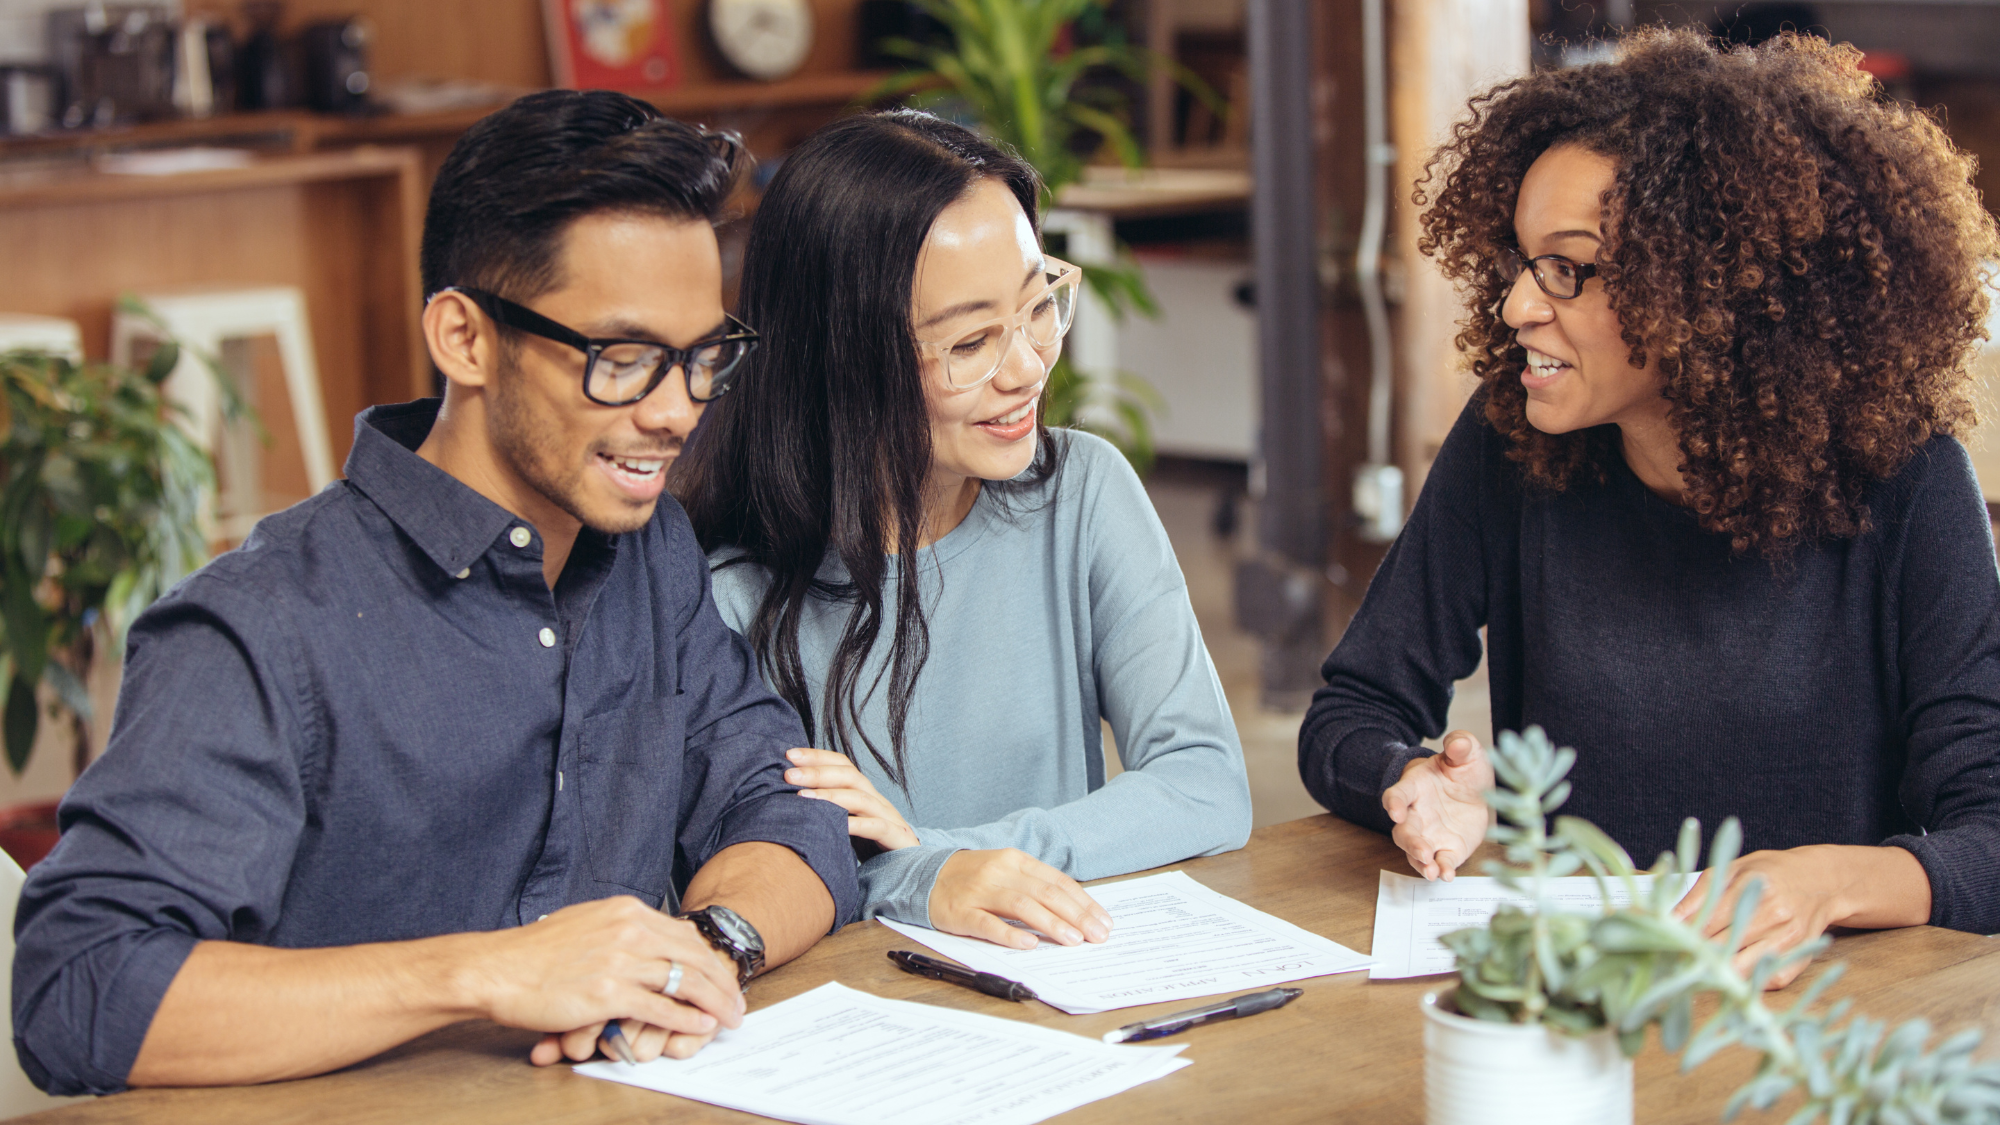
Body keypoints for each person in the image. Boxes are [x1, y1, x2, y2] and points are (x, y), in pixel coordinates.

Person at [12, 90, 859, 1096]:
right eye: (623, 360)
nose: (676, 413)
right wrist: (485, 973)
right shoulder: (260, 625)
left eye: (701, 359)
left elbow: (789, 811)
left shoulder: (646, 552)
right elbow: (80, 989)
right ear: (463, 338)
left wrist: (706, 947)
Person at [1300, 28, 2000, 986]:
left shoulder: (1906, 478)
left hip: (1818, 1023)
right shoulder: (1513, 440)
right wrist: (1412, 781)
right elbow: (1353, 710)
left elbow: (1993, 833)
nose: (1514, 307)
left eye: (1568, 268)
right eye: (1519, 259)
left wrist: (1831, 882)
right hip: (1582, 998)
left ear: (1708, 288)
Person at [672, 110, 1251, 950]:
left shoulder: (1081, 493)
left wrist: (935, 857)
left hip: (1063, 984)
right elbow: (739, 884)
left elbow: (1205, 785)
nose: (1026, 367)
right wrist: (920, 879)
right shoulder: (725, 591)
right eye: (973, 340)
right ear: (841, 358)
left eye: (1037, 307)